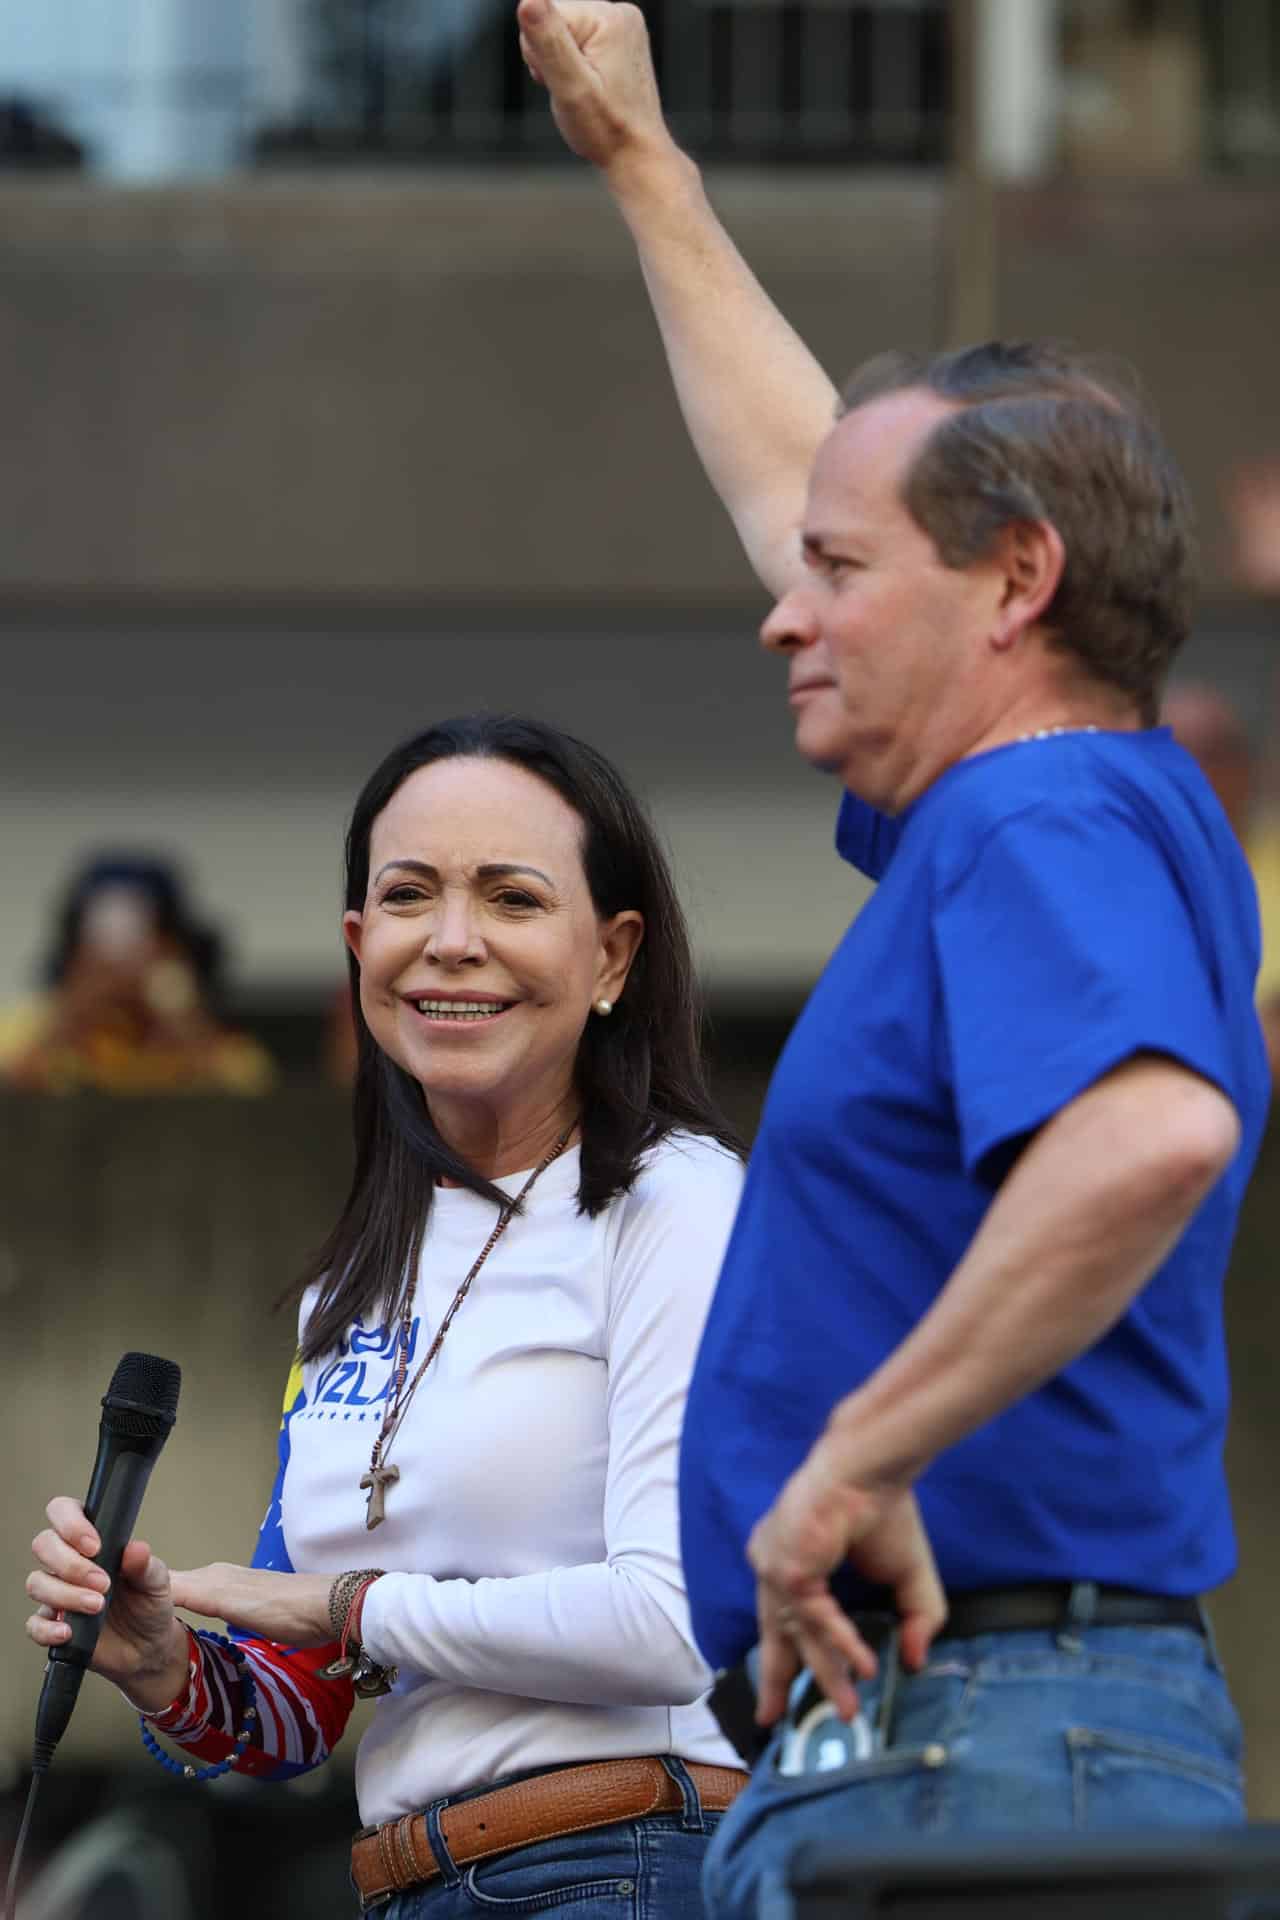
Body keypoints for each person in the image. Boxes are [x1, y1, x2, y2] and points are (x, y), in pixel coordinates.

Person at [517, 2, 1270, 1911]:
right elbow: (821, 483)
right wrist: (645, 167)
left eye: (838, 579)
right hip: (981, 1728)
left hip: (988, 1730)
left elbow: (1151, 1133)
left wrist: (853, 1461)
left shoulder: (1039, 814)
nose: (789, 615)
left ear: (1018, 584)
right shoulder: (1047, 806)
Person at [25, 714, 748, 1918]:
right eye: (409, 895)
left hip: (626, 1860)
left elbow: (672, 1625)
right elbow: (301, 1711)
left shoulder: (675, 1201)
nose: (451, 942)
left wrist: (345, 1606)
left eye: (512, 898)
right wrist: (164, 1664)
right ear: (361, 946)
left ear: (612, 958)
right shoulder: (354, 1277)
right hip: (407, 1880)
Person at [0, 852, 275, 1095]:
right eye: (102, 941)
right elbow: (12, 1086)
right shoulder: (22, 1028)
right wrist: (67, 1020)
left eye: (143, 938)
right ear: (74, 951)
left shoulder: (215, 1040)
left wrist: (179, 1018)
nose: (121, 963)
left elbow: (248, 1090)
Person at [1162, 680, 1280, 1087]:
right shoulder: (1132, 870)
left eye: (1209, 753)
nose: (1192, 773)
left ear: (1244, 766)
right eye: (1173, 754)